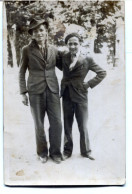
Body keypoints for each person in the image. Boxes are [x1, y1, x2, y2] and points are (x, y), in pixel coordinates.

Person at [19, 18, 63, 164]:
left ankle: (56, 153)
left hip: (52, 90)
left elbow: (64, 66)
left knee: (57, 122)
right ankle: (42, 153)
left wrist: (76, 60)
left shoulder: (54, 49)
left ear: (47, 32)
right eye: (36, 31)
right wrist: (23, 92)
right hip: (35, 91)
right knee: (39, 123)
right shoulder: (26, 50)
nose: (39, 33)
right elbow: (21, 72)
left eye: (42, 30)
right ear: (32, 34)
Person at [57, 33, 106, 160]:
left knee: (82, 125)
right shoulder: (63, 56)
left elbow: (102, 73)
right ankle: (67, 151)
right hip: (66, 94)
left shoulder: (87, 58)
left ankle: (86, 151)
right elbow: (56, 63)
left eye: (75, 43)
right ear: (66, 45)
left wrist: (88, 84)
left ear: (80, 44)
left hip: (80, 95)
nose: (73, 46)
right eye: (70, 44)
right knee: (67, 124)